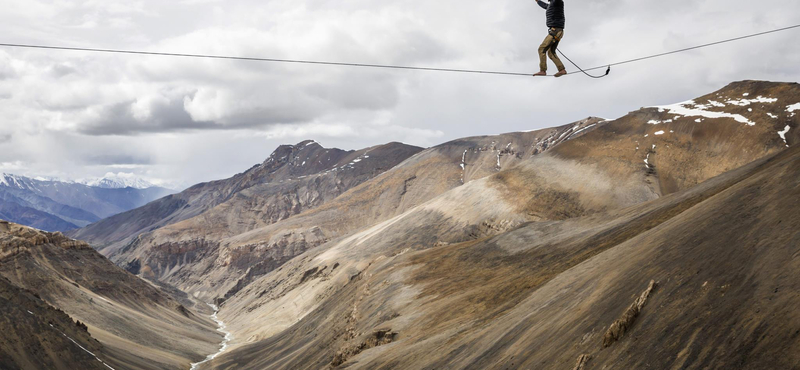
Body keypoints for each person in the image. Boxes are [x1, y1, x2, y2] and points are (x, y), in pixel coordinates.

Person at [533, 0, 567, 77]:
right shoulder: (551, 5)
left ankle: (542, 70)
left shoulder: (557, 2)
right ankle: (562, 69)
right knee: (551, 52)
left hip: (556, 31)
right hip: (557, 31)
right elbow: (545, 6)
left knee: (541, 49)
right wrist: (538, 1)